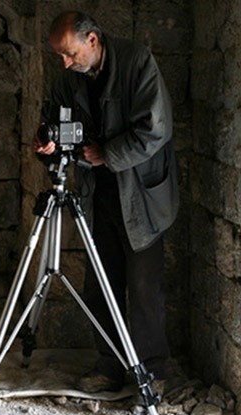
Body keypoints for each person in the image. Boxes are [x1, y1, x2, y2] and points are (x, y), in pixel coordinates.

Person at [33, 11, 179, 392]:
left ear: (92, 40)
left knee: (145, 286)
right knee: (101, 284)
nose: (65, 63)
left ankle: (154, 372)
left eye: (69, 54)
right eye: (60, 57)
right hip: (97, 194)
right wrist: (48, 143)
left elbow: (155, 129)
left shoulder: (137, 62)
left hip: (142, 195)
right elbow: (54, 119)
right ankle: (109, 366)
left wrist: (107, 154)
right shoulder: (69, 77)